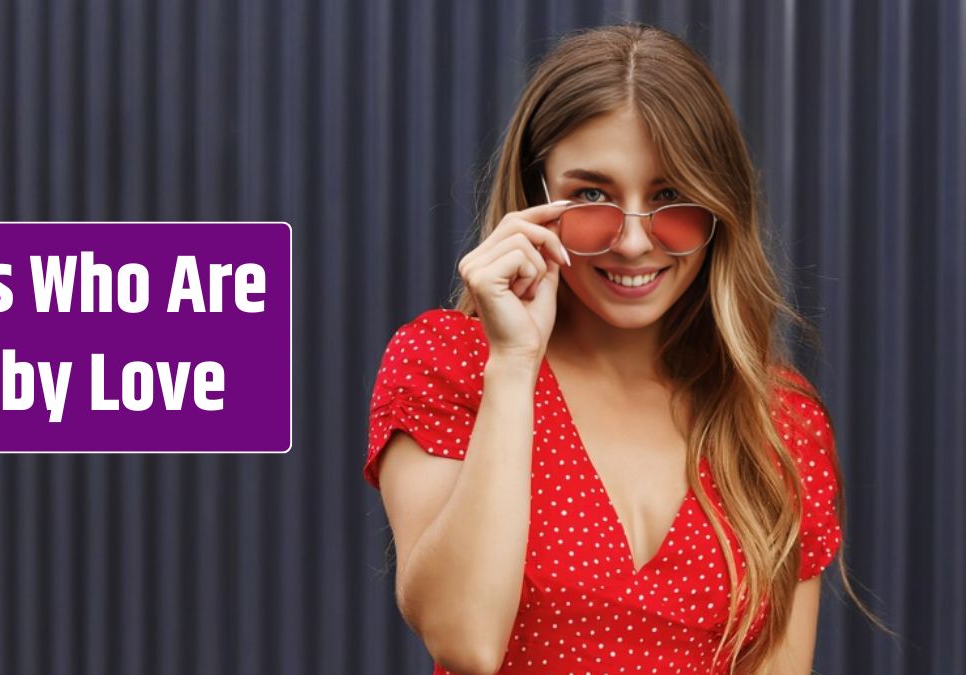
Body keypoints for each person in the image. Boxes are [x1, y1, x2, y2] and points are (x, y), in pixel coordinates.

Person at [362, 23, 883, 675]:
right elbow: (464, 639)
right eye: (590, 196)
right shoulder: (448, 363)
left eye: (669, 197)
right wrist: (515, 366)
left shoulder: (780, 420)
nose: (634, 241)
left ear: (720, 207)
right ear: (536, 198)